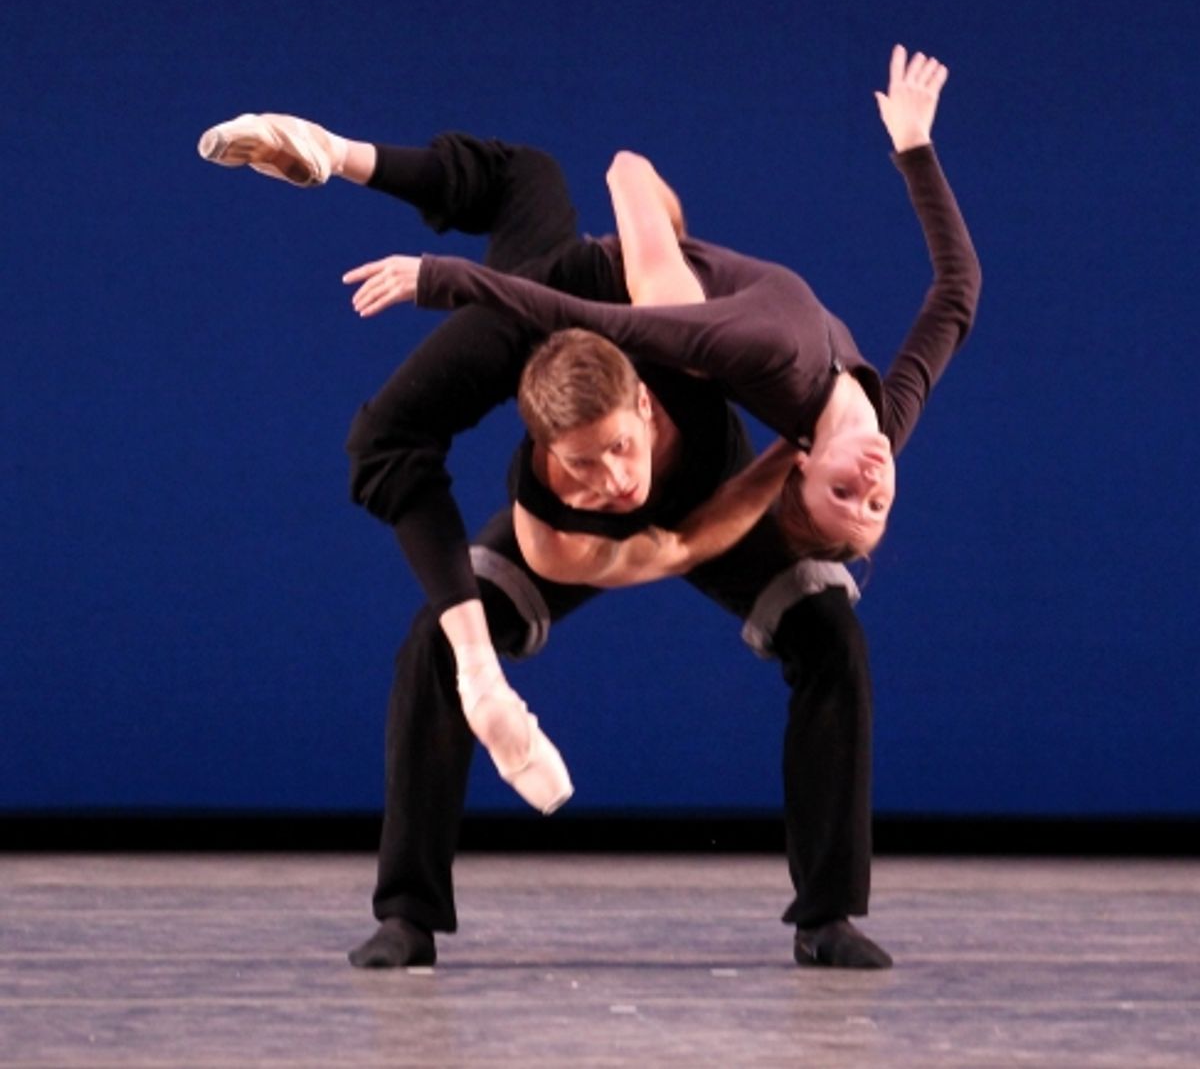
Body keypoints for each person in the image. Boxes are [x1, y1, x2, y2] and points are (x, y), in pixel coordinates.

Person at [199, 111, 890, 969]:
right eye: (580, 460)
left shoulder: (676, 319)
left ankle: (828, 918)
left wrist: (801, 458)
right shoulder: (541, 458)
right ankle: (408, 915)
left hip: (720, 495)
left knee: (828, 629)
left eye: (621, 451)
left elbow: (588, 173)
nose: (614, 479)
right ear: (540, 444)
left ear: (643, 395)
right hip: (592, 532)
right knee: (435, 647)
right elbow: (389, 449)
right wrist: (482, 675)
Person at [339, 46, 981, 562]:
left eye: (843, 493)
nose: (870, 484)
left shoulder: (767, 355)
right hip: (683, 279)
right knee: (532, 183)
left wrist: (443, 279)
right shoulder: (886, 426)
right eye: (876, 507)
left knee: (627, 209)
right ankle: (639, 201)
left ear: (804, 466)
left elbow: (592, 317)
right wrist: (915, 147)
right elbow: (957, 294)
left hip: (620, 286)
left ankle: (629, 182)